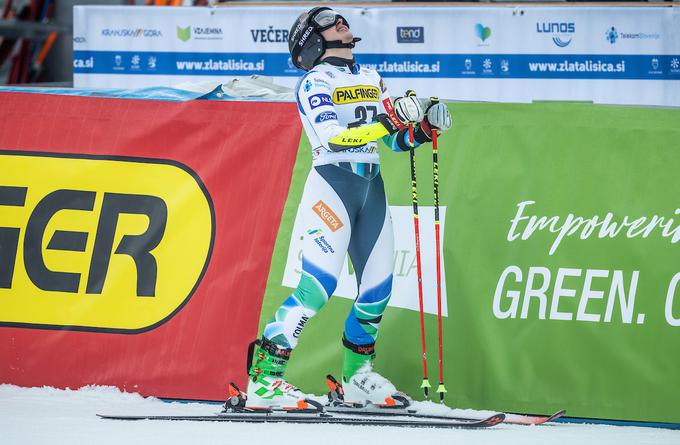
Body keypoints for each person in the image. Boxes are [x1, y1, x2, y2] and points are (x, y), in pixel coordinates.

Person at [246, 6, 452, 408]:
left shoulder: (371, 78)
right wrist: (389, 120)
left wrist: (422, 129)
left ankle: (357, 377)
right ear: (310, 42)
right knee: (317, 289)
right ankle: (265, 381)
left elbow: (392, 141)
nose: (339, 21)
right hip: (333, 185)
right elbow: (334, 137)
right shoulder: (313, 81)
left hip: (370, 187)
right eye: (325, 22)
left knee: (377, 290)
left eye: (339, 18)